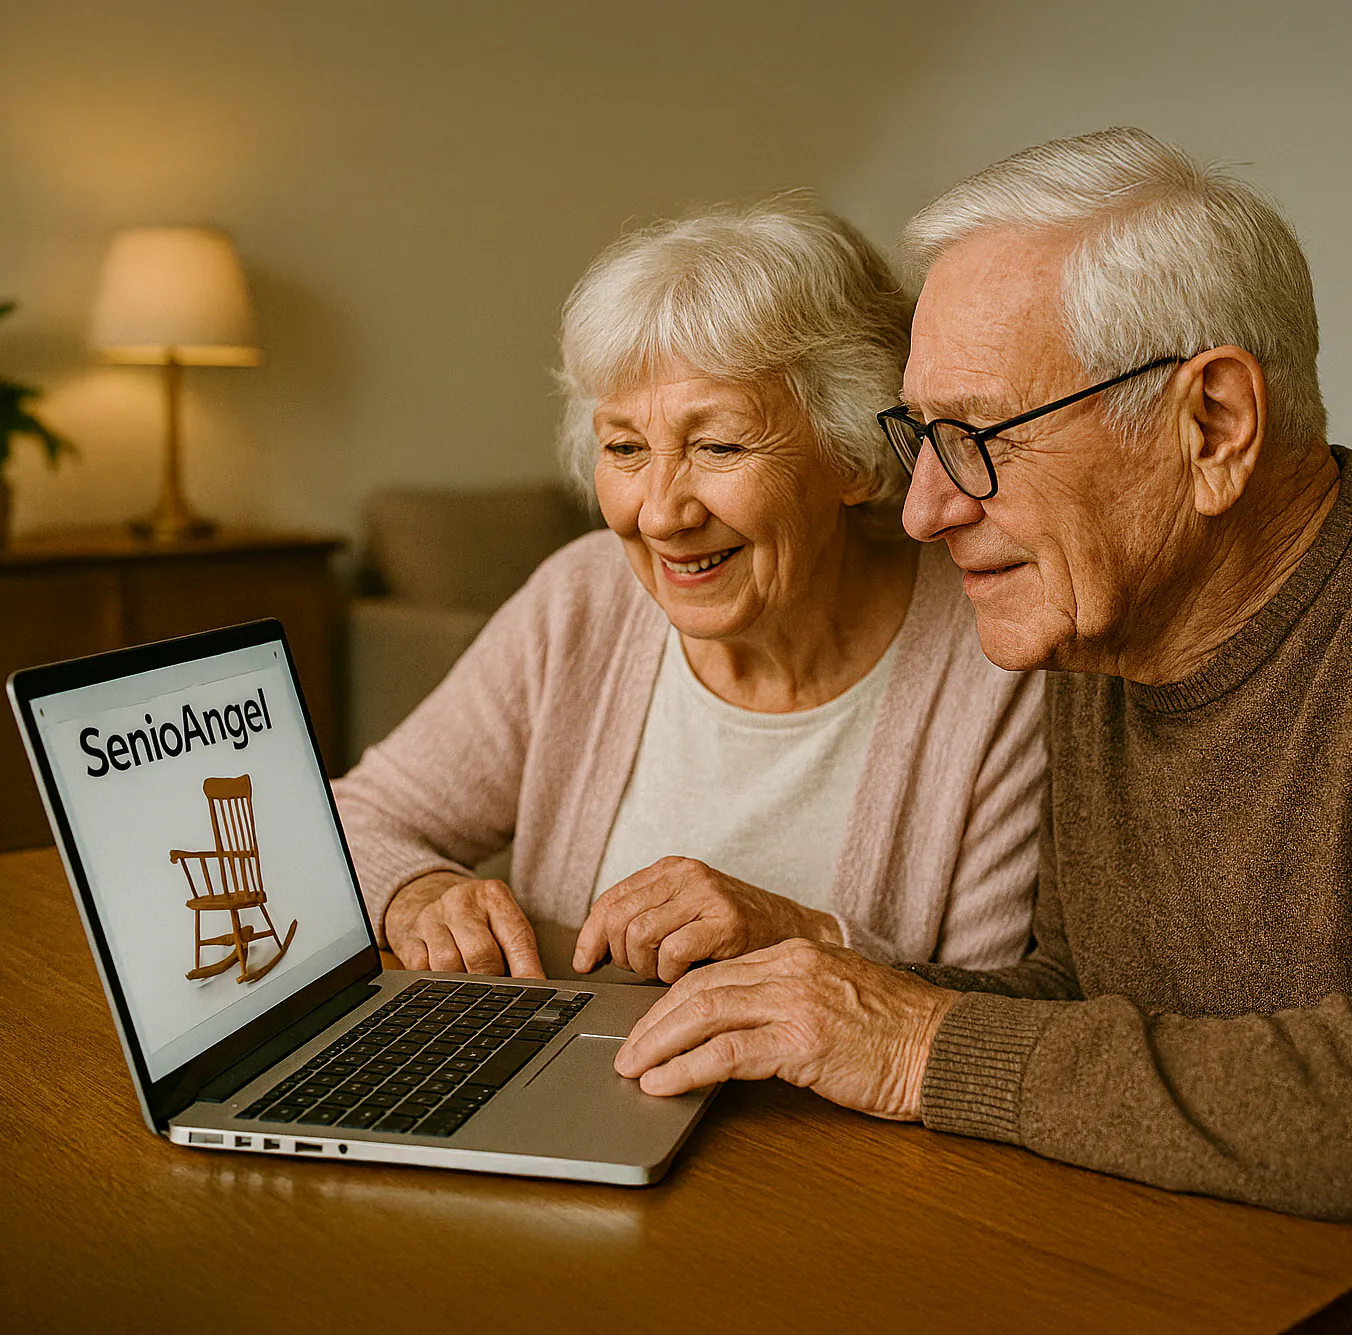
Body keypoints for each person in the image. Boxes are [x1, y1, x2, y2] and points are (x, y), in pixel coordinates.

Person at [613, 130, 1352, 1237]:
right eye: (920, 437)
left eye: (977, 436)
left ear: (1214, 424)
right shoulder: (1106, 627)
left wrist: (918, 1043)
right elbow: (1082, 997)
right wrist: (826, 986)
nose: (926, 510)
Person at [333, 196, 1044, 985]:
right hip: (564, 1061)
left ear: (852, 455)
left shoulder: (993, 647)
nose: (662, 514)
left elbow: (994, 1009)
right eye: (625, 448)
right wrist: (417, 892)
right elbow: (350, 823)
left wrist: (800, 939)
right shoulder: (585, 600)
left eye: (719, 446)